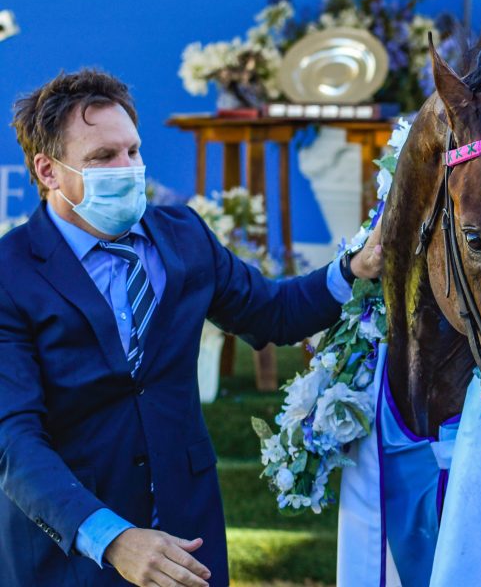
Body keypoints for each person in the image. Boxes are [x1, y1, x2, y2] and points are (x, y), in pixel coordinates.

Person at [0, 69, 383, 587]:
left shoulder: (183, 236)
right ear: (48, 171)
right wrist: (111, 538)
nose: (128, 168)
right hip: (67, 553)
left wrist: (352, 268)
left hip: (190, 540)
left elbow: (273, 312)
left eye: (133, 151)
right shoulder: (11, 272)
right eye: (103, 157)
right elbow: (14, 438)